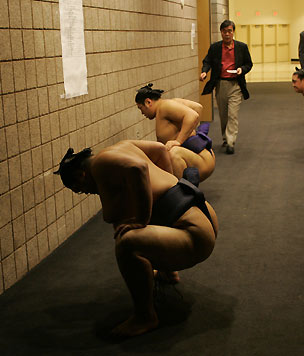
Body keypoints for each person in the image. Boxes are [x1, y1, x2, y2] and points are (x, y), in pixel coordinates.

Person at [54, 140, 218, 337]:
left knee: (127, 243)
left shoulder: (99, 165)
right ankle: (168, 272)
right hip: (201, 214)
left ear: (81, 175)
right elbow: (160, 149)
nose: (87, 192)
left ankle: (145, 317)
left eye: (80, 189)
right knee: (143, 225)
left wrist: (141, 218)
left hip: (195, 236)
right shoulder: (121, 147)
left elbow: (137, 169)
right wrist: (169, 183)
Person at [135, 84, 215, 183]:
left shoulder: (165, 106)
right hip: (199, 158)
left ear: (148, 102)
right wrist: (186, 132)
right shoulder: (168, 104)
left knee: (173, 153)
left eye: (140, 108)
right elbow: (197, 107)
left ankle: (184, 194)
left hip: (202, 161)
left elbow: (193, 115)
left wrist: (179, 140)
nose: (142, 113)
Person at [200, 19, 252, 154]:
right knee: (224, 114)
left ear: (233, 32)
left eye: (229, 31)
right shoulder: (215, 48)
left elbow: (249, 64)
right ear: (221, 33)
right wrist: (205, 71)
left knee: (233, 114)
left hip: (235, 84)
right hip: (220, 84)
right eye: (224, 31)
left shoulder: (241, 47)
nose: (227, 34)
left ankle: (230, 141)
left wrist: (242, 69)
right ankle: (225, 137)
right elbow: (207, 61)